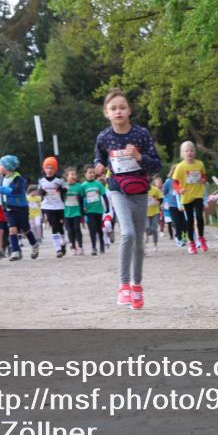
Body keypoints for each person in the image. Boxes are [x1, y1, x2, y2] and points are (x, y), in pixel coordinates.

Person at [94, 88, 162, 310]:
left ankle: (136, 286)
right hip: (117, 189)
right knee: (128, 233)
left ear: (129, 110)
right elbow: (100, 157)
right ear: (106, 113)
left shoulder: (141, 134)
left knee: (139, 242)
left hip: (140, 190)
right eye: (113, 108)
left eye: (122, 107)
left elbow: (156, 164)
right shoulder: (104, 137)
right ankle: (123, 285)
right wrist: (99, 165)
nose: (118, 111)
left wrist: (139, 156)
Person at [0, 154, 40, 261]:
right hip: (9, 209)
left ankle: (34, 245)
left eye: (0, 165)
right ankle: (15, 251)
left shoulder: (18, 178)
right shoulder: (3, 178)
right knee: (12, 229)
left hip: (21, 209)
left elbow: (16, 191)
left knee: (25, 229)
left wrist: (1, 189)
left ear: (7, 167)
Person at [172, 141, 209, 254]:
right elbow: (175, 182)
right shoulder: (180, 167)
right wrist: (179, 190)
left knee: (199, 216)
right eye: (186, 151)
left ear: (195, 152)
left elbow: (204, 176)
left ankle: (201, 238)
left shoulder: (200, 164)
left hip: (198, 195)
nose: (189, 153)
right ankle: (191, 242)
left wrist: (203, 180)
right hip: (186, 197)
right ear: (182, 153)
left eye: (191, 150)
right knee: (190, 221)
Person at [39, 157, 68, 257]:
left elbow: (65, 191)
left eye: (51, 168)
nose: (49, 170)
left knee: (60, 227)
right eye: (47, 168)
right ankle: (58, 249)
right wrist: (41, 193)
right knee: (54, 226)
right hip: (47, 206)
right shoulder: (41, 181)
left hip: (59, 206)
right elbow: (40, 192)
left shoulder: (60, 180)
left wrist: (61, 190)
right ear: (44, 169)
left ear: (55, 169)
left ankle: (63, 242)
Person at [81, 165, 109, 255]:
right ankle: (93, 247)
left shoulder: (98, 184)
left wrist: (107, 207)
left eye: (93, 172)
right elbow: (81, 198)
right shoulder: (83, 186)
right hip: (89, 211)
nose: (92, 174)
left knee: (99, 229)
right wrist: (82, 210)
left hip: (98, 210)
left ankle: (101, 245)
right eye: (89, 172)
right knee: (92, 229)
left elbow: (104, 196)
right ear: (85, 174)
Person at [63, 168, 86, 256]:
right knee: (70, 230)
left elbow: (82, 198)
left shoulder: (79, 186)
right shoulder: (64, 186)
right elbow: (61, 198)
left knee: (77, 228)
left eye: (75, 174)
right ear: (66, 177)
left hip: (76, 211)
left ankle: (80, 246)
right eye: (71, 174)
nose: (73, 176)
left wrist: (83, 210)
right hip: (66, 212)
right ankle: (73, 246)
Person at [162, 164, 186, 248]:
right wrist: (168, 197)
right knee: (177, 223)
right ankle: (178, 238)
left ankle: (183, 237)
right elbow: (163, 192)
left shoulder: (183, 180)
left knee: (184, 223)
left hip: (183, 205)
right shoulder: (169, 181)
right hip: (172, 205)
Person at [145, 176, 163, 253]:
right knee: (147, 228)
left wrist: (158, 202)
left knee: (154, 229)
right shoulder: (142, 190)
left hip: (155, 212)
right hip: (145, 213)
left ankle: (155, 244)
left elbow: (161, 198)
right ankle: (144, 245)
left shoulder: (155, 189)